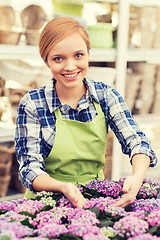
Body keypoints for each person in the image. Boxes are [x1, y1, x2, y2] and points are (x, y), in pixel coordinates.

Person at [15, 16, 157, 208]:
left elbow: (137, 141)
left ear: (89, 54)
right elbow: (29, 168)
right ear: (46, 61)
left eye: (78, 55)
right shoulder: (32, 104)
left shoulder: (106, 96)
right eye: (58, 58)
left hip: (93, 197)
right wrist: (63, 187)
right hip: (45, 202)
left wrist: (138, 176)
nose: (70, 66)